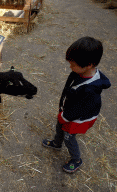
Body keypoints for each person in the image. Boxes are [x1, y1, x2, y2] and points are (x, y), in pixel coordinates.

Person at [42, 36, 111, 173]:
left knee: (69, 137)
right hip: (67, 112)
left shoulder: (91, 90)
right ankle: (57, 143)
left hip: (78, 118)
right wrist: (63, 110)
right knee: (59, 126)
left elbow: (81, 108)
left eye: (73, 64)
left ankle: (76, 159)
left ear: (89, 65)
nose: (70, 67)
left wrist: (65, 116)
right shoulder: (78, 72)